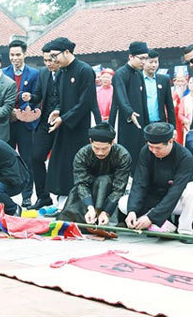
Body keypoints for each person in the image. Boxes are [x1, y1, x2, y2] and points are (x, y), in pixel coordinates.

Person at [118, 123, 193, 243]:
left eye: (158, 148)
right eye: (150, 146)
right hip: (153, 199)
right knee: (123, 203)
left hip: (176, 201)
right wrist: (132, 211)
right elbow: (140, 183)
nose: (153, 151)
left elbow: (175, 192)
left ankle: (184, 231)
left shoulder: (185, 156)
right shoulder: (146, 152)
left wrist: (151, 217)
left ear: (170, 141)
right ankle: (165, 226)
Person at [46, 37, 101, 208]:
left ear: (67, 52)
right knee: (62, 162)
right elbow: (59, 98)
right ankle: (63, 199)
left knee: (81, 162)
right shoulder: (61, 73)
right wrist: (57, 111)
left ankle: (83, 200)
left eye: (55, 56)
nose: (54, 60)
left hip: (82, 124)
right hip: (65, 124)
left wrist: (65, 117)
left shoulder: (84, 71)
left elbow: (86, 102)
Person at [57, 123, 131, 224]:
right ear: (90, 141)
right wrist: (90, 208)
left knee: (104, 180)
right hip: (87, 191)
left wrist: (106, 212)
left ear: (112, 142)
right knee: (69, 222)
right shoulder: (82, 154)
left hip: (110, 192)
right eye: (96, 148)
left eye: (104, 149)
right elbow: (81, 183)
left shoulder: (123, 155)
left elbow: (119, 188)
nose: (100, 152)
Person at [2, 39, 39, 208]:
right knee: (6, 158)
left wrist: (25, 110)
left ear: (25, 54)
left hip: (26, 123)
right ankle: (4, 193)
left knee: (27, 160)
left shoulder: (34, 74)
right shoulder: (3, 73)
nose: (15, 58)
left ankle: (27, 196)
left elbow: (38, 98)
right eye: (12, 55)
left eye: (18, 54)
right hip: (7, 122)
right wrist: (10, 112)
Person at [21, 45, 59, 209]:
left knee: (58, 161)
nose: (49, 63)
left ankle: (62, 195)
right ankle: (43, 196)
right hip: (44, 121)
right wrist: (30, 97)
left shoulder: (66, 73)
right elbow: (38, 95)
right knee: (36, 157)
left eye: (51, 59)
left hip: (62, 121)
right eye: (45, 60)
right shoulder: (43, 73)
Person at [110, 41, 149, 175]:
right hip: (126, 121)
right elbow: (121, 97)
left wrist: (147, 124)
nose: (144, 62)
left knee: (141, 153)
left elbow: (144, 101)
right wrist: (129, 112)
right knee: (127, 153)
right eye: (141, 58)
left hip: (140, 121)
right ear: (130, 57)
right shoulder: (120, 74)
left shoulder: (138, 74)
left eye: (146, 58)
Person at [143, 50, 175, 124]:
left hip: (159, 122)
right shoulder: (137, 79)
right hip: (142, 123)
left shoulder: (164, 80)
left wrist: (173, 126)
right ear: (143, 62)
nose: (154, 65)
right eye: (151, 62)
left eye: (156, 62)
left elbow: (169, 105)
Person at [172, 72, 193, 145]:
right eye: (178, 81)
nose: (180, 83)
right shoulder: (172, 93)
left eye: (182, 81)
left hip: (187, 123)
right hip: (176, 122)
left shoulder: (190, 93)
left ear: (186, 82)